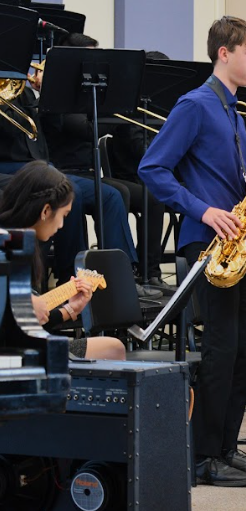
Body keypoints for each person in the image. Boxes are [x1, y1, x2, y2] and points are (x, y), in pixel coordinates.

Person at [139, 16, 246, 487]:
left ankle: (228, 446)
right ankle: (204, 456)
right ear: (223, 53)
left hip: (244, 246)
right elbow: (153, 168)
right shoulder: (195, 105)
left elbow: (240, 181)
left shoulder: (234, 112)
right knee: (222, 349)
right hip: (209, 243)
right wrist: (204, 211)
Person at [0, 60, 141, 291]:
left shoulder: (22, 89)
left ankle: (122, 277)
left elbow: (44, 124)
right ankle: (71, 277)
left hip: (41, 165)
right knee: (68, 191)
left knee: (111, 196)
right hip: (8, 166)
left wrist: (47, 93)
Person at [0, 161, 125, 361]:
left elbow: (29, 325)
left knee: (113, 348)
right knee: (113, 350)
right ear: (45, 211)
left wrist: (69, 310)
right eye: (64, 215)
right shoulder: (8, 246)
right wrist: (18, 305)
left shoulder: (23, 245)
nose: (62, 225)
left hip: (19, 347)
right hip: (12, 357)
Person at [106, 51, 175, 293]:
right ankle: (149, 271)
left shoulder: (165, 107)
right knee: (154, 199)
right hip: (132, 177)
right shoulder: (129, 106)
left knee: (199, 194)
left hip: (159, 178)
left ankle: (195, 267)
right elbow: (141, 151)